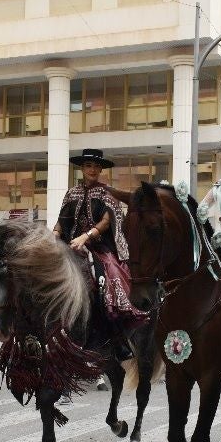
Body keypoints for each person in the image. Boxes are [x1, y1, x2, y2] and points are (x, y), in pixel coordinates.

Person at [56, 147, 151, 347]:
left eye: (96, 166)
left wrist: (86, 236)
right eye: (88, 166)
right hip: (70, 246)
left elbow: (107, 221)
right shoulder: (71, 193)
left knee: (113, 274)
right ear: (82, 168)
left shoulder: (108, 192)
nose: (92, 170)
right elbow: (61, 221)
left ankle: (119, 335)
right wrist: (52, 236)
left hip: (99, 248)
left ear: (101, 170)